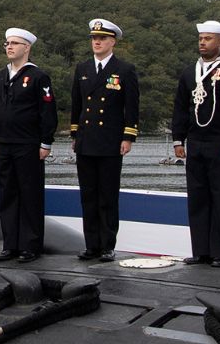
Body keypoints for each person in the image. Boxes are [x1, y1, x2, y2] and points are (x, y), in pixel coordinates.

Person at [171, 20, 220, 267]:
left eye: (208, 38)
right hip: (196, 141)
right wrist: (178, 139)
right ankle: (200, 250)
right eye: (201, 38)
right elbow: (181, 107)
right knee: (197, 197)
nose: (203, 42)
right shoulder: (188, 71)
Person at [70, 18, 140, 262]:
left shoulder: (124, 70)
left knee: (107, 196)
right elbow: (76, 104)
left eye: (102, 39)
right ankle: (91, 245)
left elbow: (131, 107)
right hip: (87, 141)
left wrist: (128, 136)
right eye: (93, 38)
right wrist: (75, 134)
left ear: (113, 42)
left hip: (110, 141)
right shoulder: (83, 69)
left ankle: (107, 245)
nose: (97, 42)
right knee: (88, 195)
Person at [0, 28, 58, 263]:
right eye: (7, 43)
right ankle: (11, 244)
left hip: (28, 144)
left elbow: (47, 112)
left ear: (26, 47)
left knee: (30, 195)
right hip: (5, 144)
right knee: (8, 195)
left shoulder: (38, 77)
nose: (9, 47)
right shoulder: (0, 77)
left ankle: (30, 245)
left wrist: (45, 141)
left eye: (15, 43)